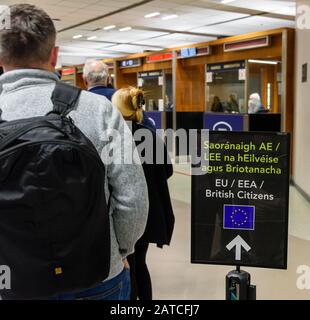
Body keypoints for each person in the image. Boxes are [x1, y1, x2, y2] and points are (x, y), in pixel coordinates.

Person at [0, 4, 148, 300]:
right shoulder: (98, 110)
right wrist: (117, 253)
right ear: (54, 54)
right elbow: (133, 199)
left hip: (14, 280)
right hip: (96, 275)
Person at [112, 87, 175, 300]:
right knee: (141, 262)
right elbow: (167, 170)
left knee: (128, 265)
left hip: (123, 213)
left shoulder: (115, 138)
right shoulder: (148, 134)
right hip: (149, 212)